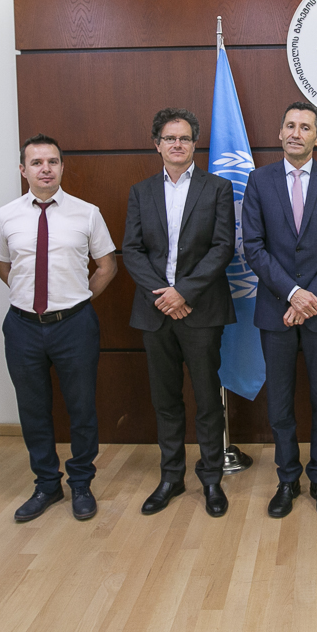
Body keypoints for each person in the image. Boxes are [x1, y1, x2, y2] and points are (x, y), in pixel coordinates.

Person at [0, 134, 117, 523]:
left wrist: (77, 298)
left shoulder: (87, 213)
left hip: (74, 325)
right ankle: (46, 484)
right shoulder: (5, 215)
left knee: (81, 407)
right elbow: (4, 266)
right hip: (23, 327)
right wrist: (31, 298)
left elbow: (107, 266)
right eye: (37, 162)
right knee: (33, 409)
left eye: (53, 162)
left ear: (62, 167)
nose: (45, 169)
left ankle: (81, 482)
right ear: (23, 169)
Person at [120, 108, 236, 518]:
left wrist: (183, 292)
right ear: (157, 144)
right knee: (165, 400)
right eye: (169, 138)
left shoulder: (217, 188)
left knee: (207, 399)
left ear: (194, 144)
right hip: (156, 312)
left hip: (200, 310)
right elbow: (131, 250)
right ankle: (171, 477)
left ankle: (211, 479)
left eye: (184, 138)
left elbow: (222, 247)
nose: (177, 144)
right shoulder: (141, 191)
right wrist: (163, 296)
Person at [241, 101, 317, 519]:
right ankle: (287, 478)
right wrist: (292, 294)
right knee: (280, 404)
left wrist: (310, 298)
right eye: (289, 125)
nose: (296, 132)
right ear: (280, 133)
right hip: (276, 310)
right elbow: (253, 246)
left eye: (305, 127)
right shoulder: (259, 180)